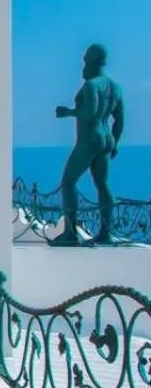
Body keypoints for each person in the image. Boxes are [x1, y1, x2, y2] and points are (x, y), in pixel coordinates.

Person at [54, 43, 124, 246]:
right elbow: (120, 120)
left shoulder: (91, 85)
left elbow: (91, 113)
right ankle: (105, 233)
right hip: (106, 139)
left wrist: (68, 112)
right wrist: (115, 142)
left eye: (85, 60)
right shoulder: (116, 87)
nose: (83, 66)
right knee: (102, 185)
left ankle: (70, 233)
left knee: (68, 183)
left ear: (92, 61)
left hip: (89, 139)